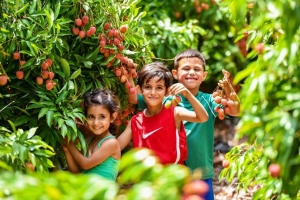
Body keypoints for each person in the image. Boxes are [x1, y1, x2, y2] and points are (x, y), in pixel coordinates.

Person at [127, 49, 240, 200]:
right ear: (175, 73)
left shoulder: (209, 100)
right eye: (186, 68)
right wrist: (128, 72)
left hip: (199, 171)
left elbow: (235, 111)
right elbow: (134, 98)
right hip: (172, 171)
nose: (191, 72)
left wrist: (228, 88)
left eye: (197, 69)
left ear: (204, 76)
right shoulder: (164, 99)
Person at [117, 62, 208, 165]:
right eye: (148, 87)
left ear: (167, 91)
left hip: (173, 176)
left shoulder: (175, 113)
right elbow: (116, 147)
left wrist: (188, 95)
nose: (153, 92)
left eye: (159, 87)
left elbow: (203, 117)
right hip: (147, 178)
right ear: (139, 90)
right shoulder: (135, 121)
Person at [63, 88, 121, 181]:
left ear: (112, 117)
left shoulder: (111, 143)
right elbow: (77, 172)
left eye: (102, 117)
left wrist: (70, 144)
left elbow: (85, 164)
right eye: (91, 117)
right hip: (86, 192)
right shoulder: (89, 140)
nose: (96, 122)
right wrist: (66, 149)